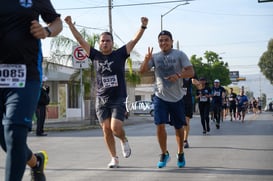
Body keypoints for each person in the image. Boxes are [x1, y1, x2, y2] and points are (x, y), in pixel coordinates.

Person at [65, 16, 148, 168]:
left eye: (107, 40)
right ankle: (114, 158)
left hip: (118, 98)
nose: (104, 43)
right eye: (102, 40)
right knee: (106, 129)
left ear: (112, 43)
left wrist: (142, 27)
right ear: (99, 43)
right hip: (101, 99)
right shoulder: (94, 55)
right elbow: (80, 39)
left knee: (115, 128)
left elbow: (133, 41)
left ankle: (123, 139)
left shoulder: (120, 54)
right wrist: (70, 25)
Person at [0, 1, 62, 181]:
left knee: (14, 132)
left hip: (25, 75)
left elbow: (57, 23)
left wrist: (46, 31)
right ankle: (36, 163)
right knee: (6, 140)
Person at [140, 30, 194, 168]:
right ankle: (164, 153)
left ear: (171, 41)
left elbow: (191, 71)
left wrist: (178, 75)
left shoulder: (179, 55)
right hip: (160, 96)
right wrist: (146, 59)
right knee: (159, 125)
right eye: (161, 40)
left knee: (179, 127)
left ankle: (180, 152)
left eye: (166, 40)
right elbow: (142, 71)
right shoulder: (155, 57)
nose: (163, 43)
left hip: (177, 98)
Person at [182, 75, 201, 148]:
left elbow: (199, 88)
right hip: (177, 100)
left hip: (188, 101)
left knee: (186, 122)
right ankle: (180, 138)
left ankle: (185, 140)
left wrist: (197, 83)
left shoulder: (191, 73)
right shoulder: (176, 69)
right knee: (178, 122)